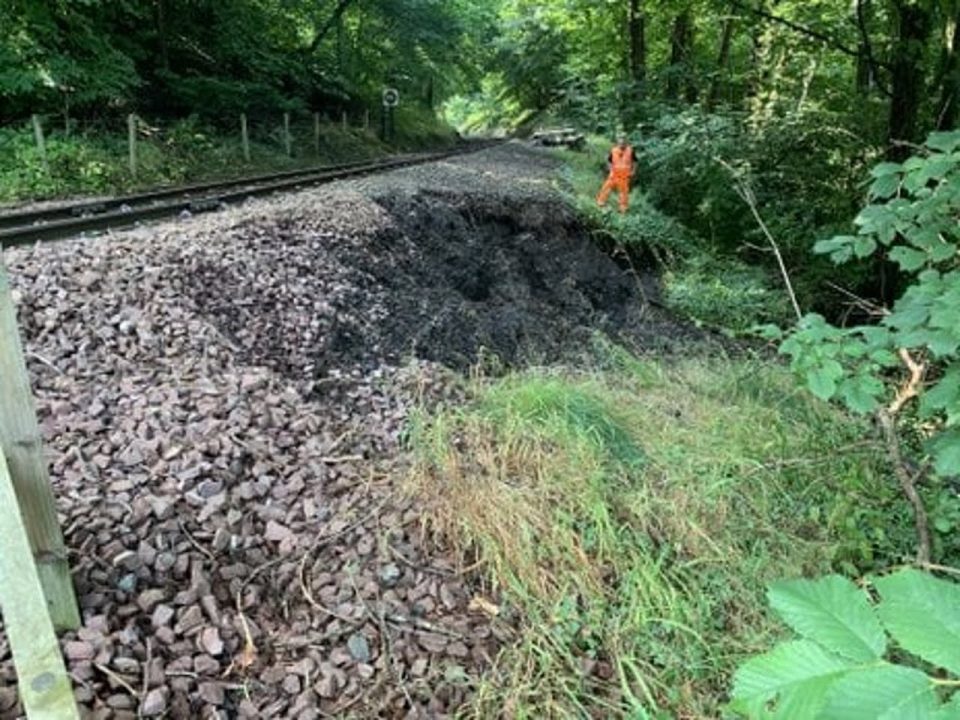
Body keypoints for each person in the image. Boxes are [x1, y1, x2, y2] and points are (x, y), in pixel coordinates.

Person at [596, 134, 637, 214]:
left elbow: (635, 161)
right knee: (606, 187)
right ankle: (601, 202)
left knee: (623, 192)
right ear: (618, 143)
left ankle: (623, 208)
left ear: (626, 143)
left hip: (624, 175)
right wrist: (610, 170)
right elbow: (609, 161)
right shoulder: (613, 150)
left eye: (623, 143)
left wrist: (633, 171)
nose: (622, 144)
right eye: (620, 143)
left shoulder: (630, 151)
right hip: (614, 174)